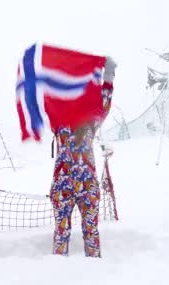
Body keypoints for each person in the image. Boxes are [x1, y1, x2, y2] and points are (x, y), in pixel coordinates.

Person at [50, 57, 117, 258]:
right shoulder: (59, 123)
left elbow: (104, 101)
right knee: (61, 232)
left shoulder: (91, 123)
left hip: (87, 185)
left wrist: (109, 74)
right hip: (63, 185)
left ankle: (95, 272)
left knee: (91, 231)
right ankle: (57, 272)